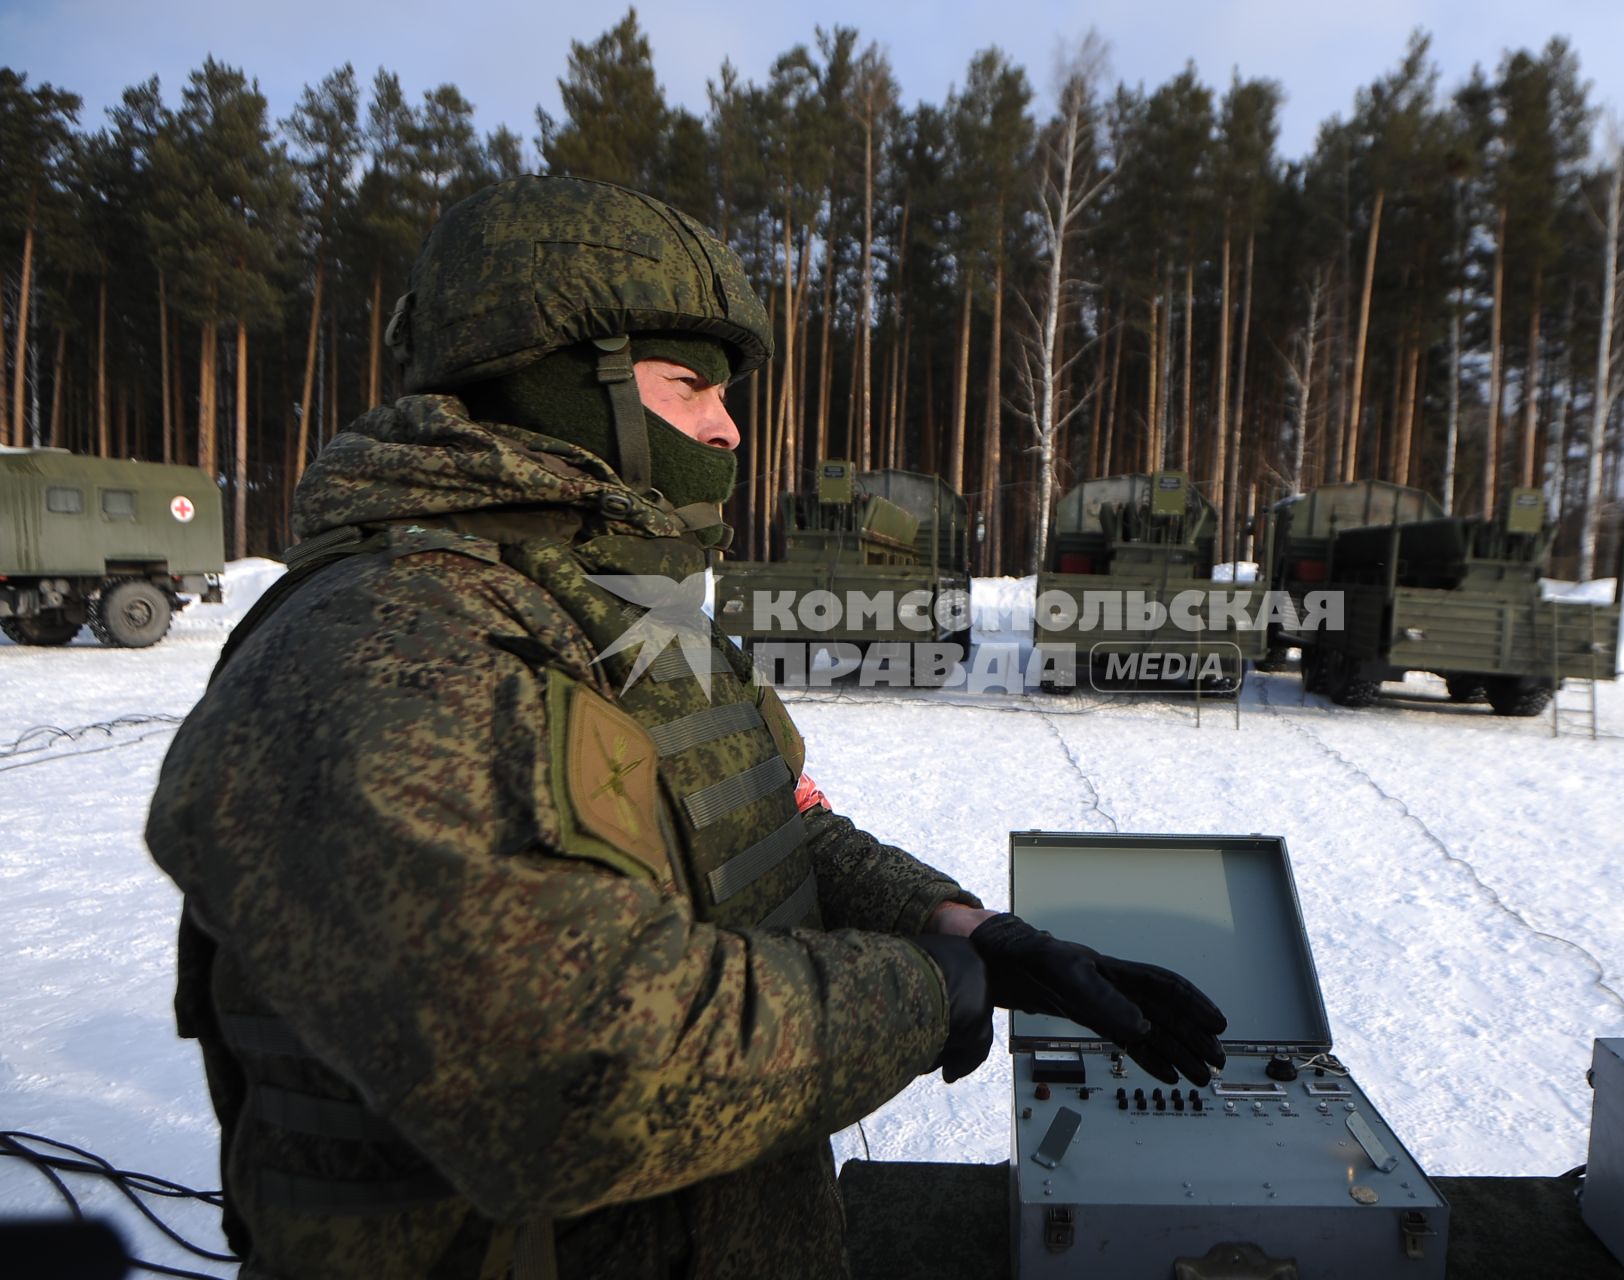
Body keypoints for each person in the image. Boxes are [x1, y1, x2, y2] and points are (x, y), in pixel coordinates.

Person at [146, 175, 1225, 1280]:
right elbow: (578, 1072)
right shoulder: (382, 646)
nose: (729, 424)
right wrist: (922, 989)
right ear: (559, 382)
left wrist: (971, 930)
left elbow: (770, 826)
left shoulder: (624, 609)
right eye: (689, 384)